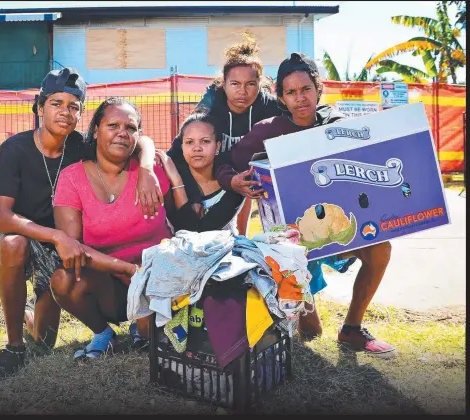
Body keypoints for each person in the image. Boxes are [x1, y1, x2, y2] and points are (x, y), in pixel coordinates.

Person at [0, 70, 163, 385]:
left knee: (45, 343)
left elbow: (139, 137)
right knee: (12, 245)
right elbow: (1, 217)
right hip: (30, 236)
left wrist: (145, 169)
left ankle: (30, 318)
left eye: (74, 106)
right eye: (56, 103)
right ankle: (13, 347)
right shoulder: (15, 149)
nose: (65, 112)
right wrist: (56, 236)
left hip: (66, 245)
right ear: (39, 108)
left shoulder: (80, 146)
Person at [216, 52, 395, 357]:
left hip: (336, 232)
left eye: (305, 90)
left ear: (317, 89)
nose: (300, 98)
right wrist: (233, 181)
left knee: (381, 247)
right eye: (291, 92)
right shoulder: (267, 130)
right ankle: (299, 311)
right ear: (281, 98)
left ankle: (352, 328)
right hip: (290, 244)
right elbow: (224, 163)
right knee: (311, 333)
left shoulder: (337, 124)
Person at [50, 97, 187, 359]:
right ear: (96, 130)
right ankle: (104, 333)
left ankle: (145, 323)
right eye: (113, 125)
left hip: (159, 280)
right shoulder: (72, 178)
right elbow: (73, 249)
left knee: (152, 339)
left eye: (131, 128)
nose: (122, 133)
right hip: (112, 284)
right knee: (64, 279)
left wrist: (147, 169)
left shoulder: (151, 172)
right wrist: (129, 270)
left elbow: (179, 221)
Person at [167, 36, 283, 236]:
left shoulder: (269, 106)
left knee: (240, 219)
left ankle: (242, 238)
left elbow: (301, 116)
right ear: (225, 84)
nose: (243, 92)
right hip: (214, 174)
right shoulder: (212, 105)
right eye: (235, 84)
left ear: (260, 84)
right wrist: (193, 196)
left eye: (251, 84)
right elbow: (178, 151)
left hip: (244, 171)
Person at [157, 112, 244, 234]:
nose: (196, 148)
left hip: (226, 251)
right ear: (182, 147)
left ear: (218, 146)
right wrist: (176, 180)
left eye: (205, 141)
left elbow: (197, 232)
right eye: (189, 142)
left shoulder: (233, 181)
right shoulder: (167, 180)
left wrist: (177, 182)